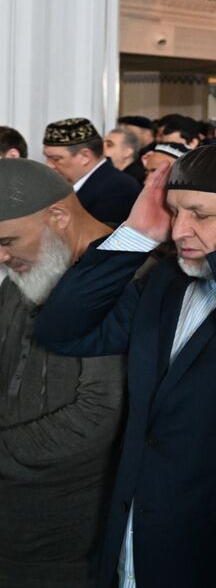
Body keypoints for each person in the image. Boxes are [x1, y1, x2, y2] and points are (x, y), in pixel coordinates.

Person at [36, 145, 216, 588]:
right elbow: (63, 330)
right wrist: (135, 234)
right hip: (136, 540)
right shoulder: (169, 279)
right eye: (174, 211)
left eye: (201, 214)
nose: (180, 229)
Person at [0, 160, 125, 588]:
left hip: (68, 540)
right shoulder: (29, 266)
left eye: (7, 240)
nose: (1, 255)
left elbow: (96, 414)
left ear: (58, 216)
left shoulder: (124, 280)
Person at [41, 118, 140, 224]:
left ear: (85, 156)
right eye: (47, 158)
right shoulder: (66, 185)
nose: (49, 165)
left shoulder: (118, 189)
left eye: (56, 159)